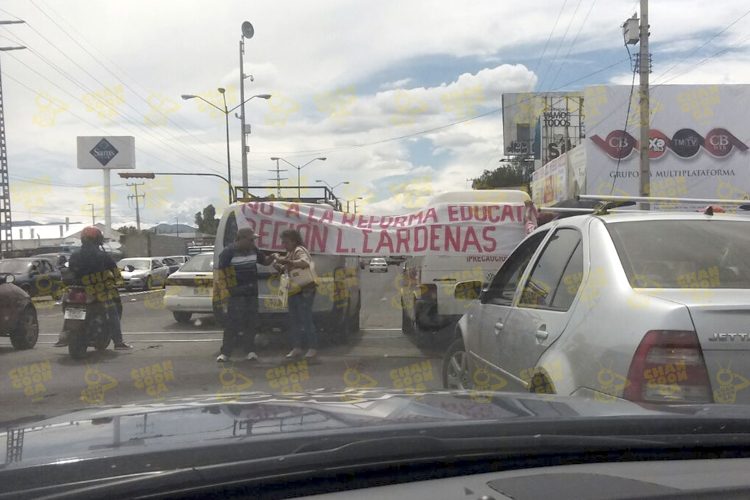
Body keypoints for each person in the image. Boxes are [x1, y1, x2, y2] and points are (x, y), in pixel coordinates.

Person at [54, 226, 131, 350]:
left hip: (75, 288)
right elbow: (114, 270)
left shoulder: (74, 255)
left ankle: (63, 336)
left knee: (69, 308)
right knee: (112, 311)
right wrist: (119, 280)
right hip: (97, 289)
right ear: (97, 239)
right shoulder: (101, 255)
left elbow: (71, 270)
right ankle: (118, 342)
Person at [216, 227, 274, 362]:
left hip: (251, 292)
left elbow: (264, 261)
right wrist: (227, 290)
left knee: (251, 322)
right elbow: (221, 272)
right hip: (236, 294)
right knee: (232, 323)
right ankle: (226, 353)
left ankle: (250, 350)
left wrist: (272, 257)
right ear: (240, 239)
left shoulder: (254, 250)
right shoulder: (228, 252)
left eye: (254, 240)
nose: (253, 242)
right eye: (250, 239)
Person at [274, 229, 318, 360]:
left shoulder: (299, 250)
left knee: (306, 318)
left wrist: (288, 262)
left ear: (293, 241)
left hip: (305, 289)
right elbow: (286, 269)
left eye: (286, 242)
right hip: (295, 289)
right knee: (294, 319)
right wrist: (279, 266)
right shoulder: (290, 253)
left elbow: (304, 262)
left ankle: (312, 347)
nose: (283, 245)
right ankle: (297, 347)